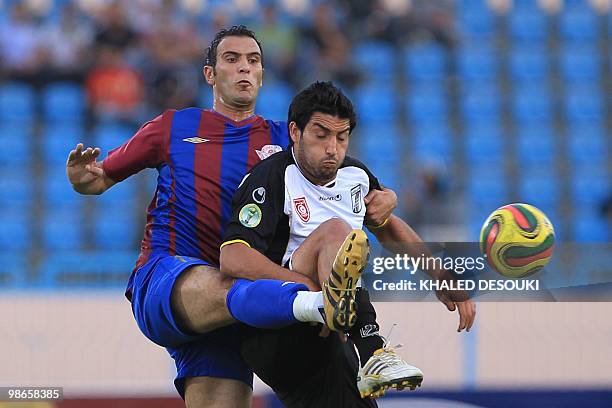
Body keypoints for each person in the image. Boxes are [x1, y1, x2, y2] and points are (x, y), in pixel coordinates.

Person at [66, 26, 398, 408]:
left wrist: (388, 197)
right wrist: (82, 179)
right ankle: (319, 304)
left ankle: (323, 310)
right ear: (210, 74)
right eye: (232, 59)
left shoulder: (286, 142)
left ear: (261, 74)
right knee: (231, 283)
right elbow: (99, 179)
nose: (244, 68)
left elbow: (366, 196)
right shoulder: (173, 126)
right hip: (169, 278)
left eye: (253, 61)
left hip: (244, 309)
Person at [220, 81, 476, 405]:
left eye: (341, 137)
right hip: (278, 326)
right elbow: (233, 257)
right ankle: (373, 348)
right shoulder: (272, 177)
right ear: (295, 132)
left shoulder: (355, 175)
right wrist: (309, 289)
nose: (332, 149)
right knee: (338, 232)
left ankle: (368, 348)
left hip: (333, 326)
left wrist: (440, 274)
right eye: (321, 134)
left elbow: (388, 227)